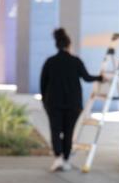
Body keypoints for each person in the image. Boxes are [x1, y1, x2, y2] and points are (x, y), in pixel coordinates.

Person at [39, 28, 103, 171]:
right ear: (69, 45)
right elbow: (87, 77)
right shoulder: (75, 61)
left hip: (53, 104)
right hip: (73, 105)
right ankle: (66, 159)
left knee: (55, 131)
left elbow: (42, 84)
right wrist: (100, 77)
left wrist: (45, 101)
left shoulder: (50, 62)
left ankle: (58, 158)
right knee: (69, 132)